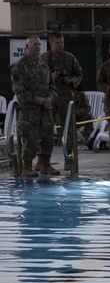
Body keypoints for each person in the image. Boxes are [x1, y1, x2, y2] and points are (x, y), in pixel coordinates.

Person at [11, 35, 58, 177]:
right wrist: (35, 99)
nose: (37, 47)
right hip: (29, 110)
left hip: (45, 110)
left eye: (39, 45)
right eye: (34, 45)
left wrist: (50, 98)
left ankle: (46, 165)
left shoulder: (44, 65)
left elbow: (52, 87)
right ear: (27, 47)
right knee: (30, 138)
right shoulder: (19, 66)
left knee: (48, 136)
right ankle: (26, 167)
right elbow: (18, 90)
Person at [41, 30, 90, 152]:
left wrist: (70, 81)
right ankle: (43, 158)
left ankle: (68, 157)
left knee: (68, 128)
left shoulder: (69, 58)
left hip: (65, 97)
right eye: (57, 43)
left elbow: (79, 74)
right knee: (45, 127)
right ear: (51, 43)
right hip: (49, 98)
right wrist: (50, 77)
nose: (61, 45)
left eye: (62, 42)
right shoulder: (43, 59)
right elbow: (37, 78)